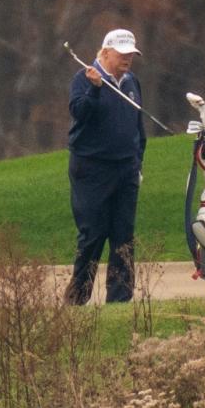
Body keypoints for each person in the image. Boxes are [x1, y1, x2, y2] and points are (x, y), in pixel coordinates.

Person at [65, 28, 146, 304]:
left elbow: (137, 129)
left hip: (125, 169)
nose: (128, 59)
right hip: (92, 169)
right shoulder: (84, 79)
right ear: (106, 52)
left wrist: (138, 163)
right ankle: (77, 298)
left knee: (124, 234)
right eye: (122, 54)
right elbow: (79, 113)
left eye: (131, 54)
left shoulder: (132, 82)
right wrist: (95, 90)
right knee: (93, 234)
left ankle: (120, 299)